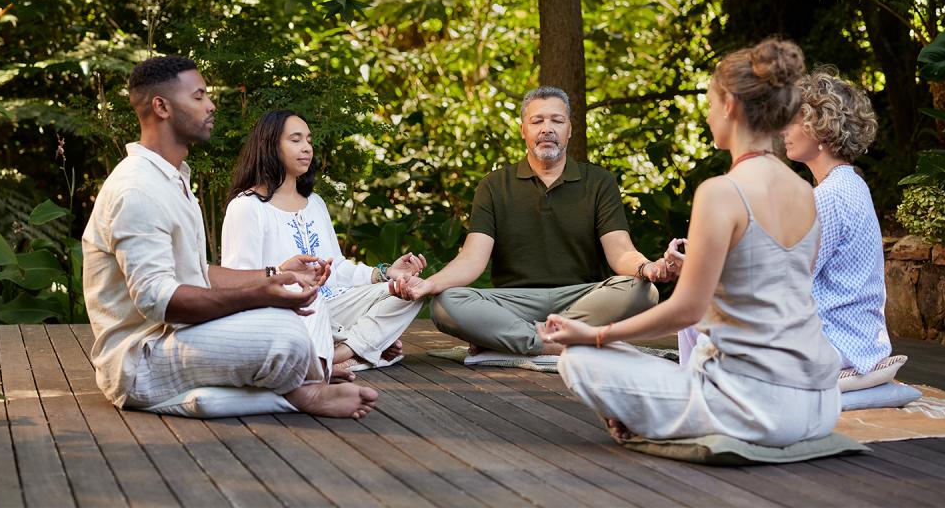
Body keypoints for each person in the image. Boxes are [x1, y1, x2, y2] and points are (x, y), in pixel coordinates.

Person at [541, 39, 841, 447]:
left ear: (731, 105)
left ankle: (655, 422)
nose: (708, 113)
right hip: (821, 405)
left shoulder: (722, 191)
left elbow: (685, 310)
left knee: (580, 358)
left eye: (710, 101)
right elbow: (774, 287)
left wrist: (594, 335)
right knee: (620, 353)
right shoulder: (805, 191)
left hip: (755, 408)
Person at [82, 56, 378, 419]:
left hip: (180, 337)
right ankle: (305, 394)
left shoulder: (172, 179)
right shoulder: (137, 190)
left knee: (303, 303)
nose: (211, 105)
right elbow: (159, 301)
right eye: (198, 97)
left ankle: (289, 388)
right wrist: (258, 295)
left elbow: (198, 272)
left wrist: (275, 277)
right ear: (162, 106)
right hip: (142, 357)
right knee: (286, 335)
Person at [390, 86, 678, 358]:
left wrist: (647, 268)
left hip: (582, 298)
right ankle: (557, 341)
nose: (547, 128)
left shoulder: (599, 182)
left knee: (642, 290)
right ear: (523, 130)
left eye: (557, 120)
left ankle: (517, 341)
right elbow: (471, 260)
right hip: (513, 303)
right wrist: (430, 284)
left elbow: (620, 251)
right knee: (444, 303)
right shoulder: (494, 185)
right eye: (537, 120)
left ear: (569, 131)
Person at [220, 109, 426, 375]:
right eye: (295, 140)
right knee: (315, 309)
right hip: (287, 312)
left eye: (309, 140)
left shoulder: (315, 203)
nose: (306, 147)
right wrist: (283, 274)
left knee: (412, 290)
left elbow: (337, 267)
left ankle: (341, 353)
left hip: (334, 306)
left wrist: (385, 273)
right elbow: (238, 283)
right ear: (270, 146)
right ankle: (364, 348)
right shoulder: (247, 207)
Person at [784, 66, 891, 374]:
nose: (784, 132)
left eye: (793, 121)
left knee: (703, 315)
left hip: (835, 342)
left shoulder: (829, 196)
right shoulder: (852, 183)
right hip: (860, 339)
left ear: (822, 129)